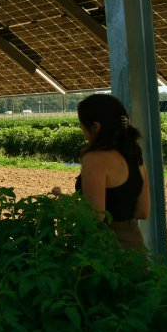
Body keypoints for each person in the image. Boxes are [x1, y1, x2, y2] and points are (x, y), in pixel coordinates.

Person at [61, 94, 149, 253]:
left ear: (95, 127)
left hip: (106, 249)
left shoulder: (95, 159)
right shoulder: (135, 156)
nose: (81, 129)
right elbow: (143, 211)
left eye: (82, 125)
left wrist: (63, 202)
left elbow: (95, 215)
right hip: (135, 247)